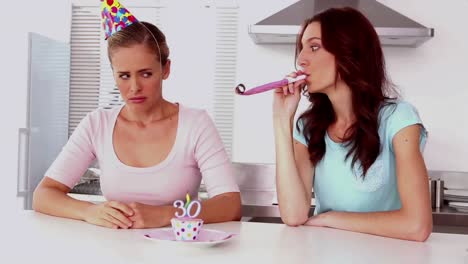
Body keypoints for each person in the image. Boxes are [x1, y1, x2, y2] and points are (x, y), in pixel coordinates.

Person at [33, 0, 241, 229]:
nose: (134, 87)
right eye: (124, 76)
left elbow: (230, 204)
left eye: (145, 74)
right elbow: (43, 195)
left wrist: (166, 215)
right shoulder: (97, 124)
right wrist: (90, 211)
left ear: (166, 69)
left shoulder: (195, 124)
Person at [273, 7, 432, 241]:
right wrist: (281, 119)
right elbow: (293, 215)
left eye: (314, 47)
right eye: (302, 48)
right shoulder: (307, 128)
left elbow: (417, 226)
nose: (301, 59)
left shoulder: (399, 119)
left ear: (349, 52)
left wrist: (330, 218)